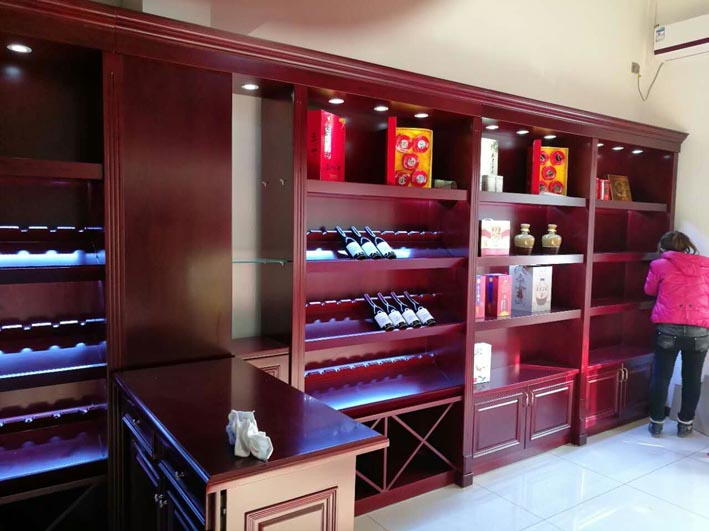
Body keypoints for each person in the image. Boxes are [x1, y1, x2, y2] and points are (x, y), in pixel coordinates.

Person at [645, 231, 709, 437]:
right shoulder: (706, 265)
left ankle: (656, 424)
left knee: (661, 377)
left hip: (668, 329)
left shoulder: (659, 265)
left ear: (663, 248)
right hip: (699, 331)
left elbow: (649, 290)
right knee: (692, 379)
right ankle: (685, 425)